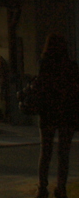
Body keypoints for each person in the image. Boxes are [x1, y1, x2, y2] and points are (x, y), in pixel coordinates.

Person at [32, 33, 79, 198]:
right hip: (67, 113)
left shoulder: (44, 65)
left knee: (45, 152)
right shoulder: (71, 66)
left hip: (48, 112)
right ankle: (61, 188)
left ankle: (42, 188)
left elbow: (41, 87)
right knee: (63, 154)